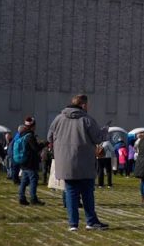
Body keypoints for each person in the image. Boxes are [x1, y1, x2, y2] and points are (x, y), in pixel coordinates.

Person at [48, 94, 110, 231]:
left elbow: (49, 137)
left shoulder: (58, 119)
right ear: (83, 105)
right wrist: (105, 131)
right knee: (87, 192)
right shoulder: (87, 119)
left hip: (65, 163)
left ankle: (73, 224)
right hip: (84, 162)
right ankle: (91, 221)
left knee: (70, 192)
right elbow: (97, 138)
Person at [15, 117, 45, 206]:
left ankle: (21, 198)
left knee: (24, 181)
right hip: (31, 162)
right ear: (33, 126)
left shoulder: (22, 134)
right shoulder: (30, 136)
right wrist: (43, 144)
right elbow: (35, 148)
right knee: (33, 180)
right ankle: (33, 198)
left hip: (24, 162)